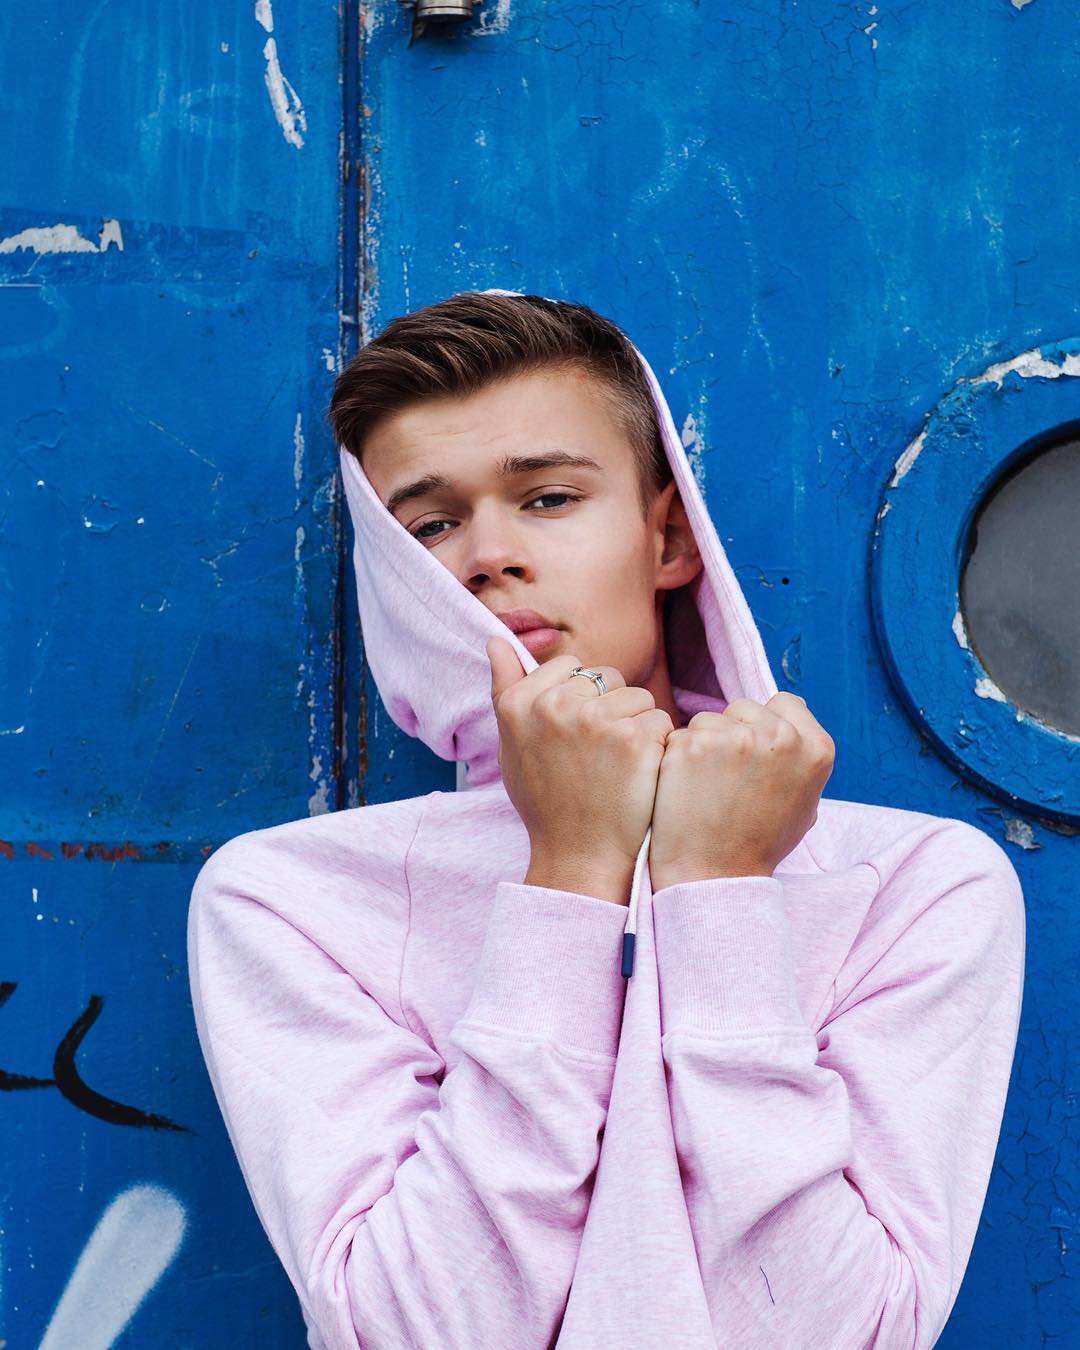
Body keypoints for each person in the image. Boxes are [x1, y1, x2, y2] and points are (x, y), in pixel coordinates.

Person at [187, 288, 1026, 1349]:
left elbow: (836, 1332)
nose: (489, 554)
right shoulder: (291, 902)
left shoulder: (911, 886)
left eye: (547, 497)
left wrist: (719, 886)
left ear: (667, 537)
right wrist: (572, 870)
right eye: (431, 523)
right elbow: (422, 1335)